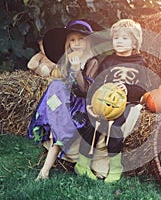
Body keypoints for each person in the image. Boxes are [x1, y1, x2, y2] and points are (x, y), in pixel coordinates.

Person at [81, 19, 160, 183]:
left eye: (125, 38)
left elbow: (143, 88)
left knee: (116, 126)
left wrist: (128, 88)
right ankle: (82, 164)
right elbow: (96, 84)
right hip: (104, 102)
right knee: (90, 124)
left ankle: (115, 168)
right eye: (116, 38)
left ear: (134, 43)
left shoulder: (140, 62)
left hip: (126, 103)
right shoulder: (108, 61)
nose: (119, 41)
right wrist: (91, 102)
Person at [28, 19, 104, 181]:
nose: (76, 44)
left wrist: (77, 70)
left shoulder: (92, 62)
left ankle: (45, 170)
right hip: (64, 103)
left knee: (60, 121)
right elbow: (64, 86)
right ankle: (50, 124)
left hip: (81, 106)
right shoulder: (67, 61)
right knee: (56, 87)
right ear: (67, 43)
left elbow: (85, 91)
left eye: (81, 40)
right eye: (72, 40)